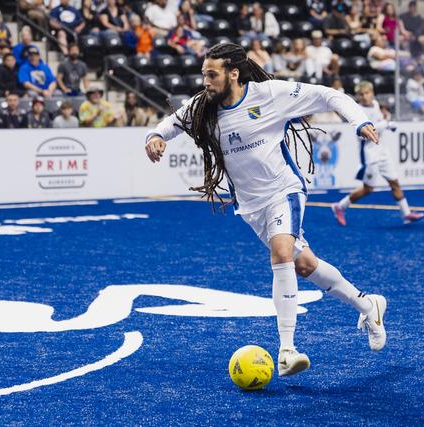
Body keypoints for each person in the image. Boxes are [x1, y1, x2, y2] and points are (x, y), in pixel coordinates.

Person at [144, 43, 387, 377]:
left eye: (212, 75)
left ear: (233, 74)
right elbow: (170, 124)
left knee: (281, 253)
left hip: (284, 190)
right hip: (250, 205)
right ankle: (368, 305)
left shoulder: (270, 94)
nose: (206, 82)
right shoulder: (204, 106)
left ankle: (287, 350)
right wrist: (155, 137)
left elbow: (329, 95)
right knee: (304, 264)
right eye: (204, 75)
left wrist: (359, 121)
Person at [331, 81, 424, 226]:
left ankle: (406, 214)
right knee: (368, 188)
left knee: (395, 183)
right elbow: (365, 132)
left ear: (372, 93)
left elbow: (379, 123)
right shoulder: (357, 111)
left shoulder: (375, 105)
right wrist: (386, 124)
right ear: (357, 96)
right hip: (370, 154)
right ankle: (340, 206)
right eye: (361, 94)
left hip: (382, 151)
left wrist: (387, 122)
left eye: (367, 93)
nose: (364, 96)